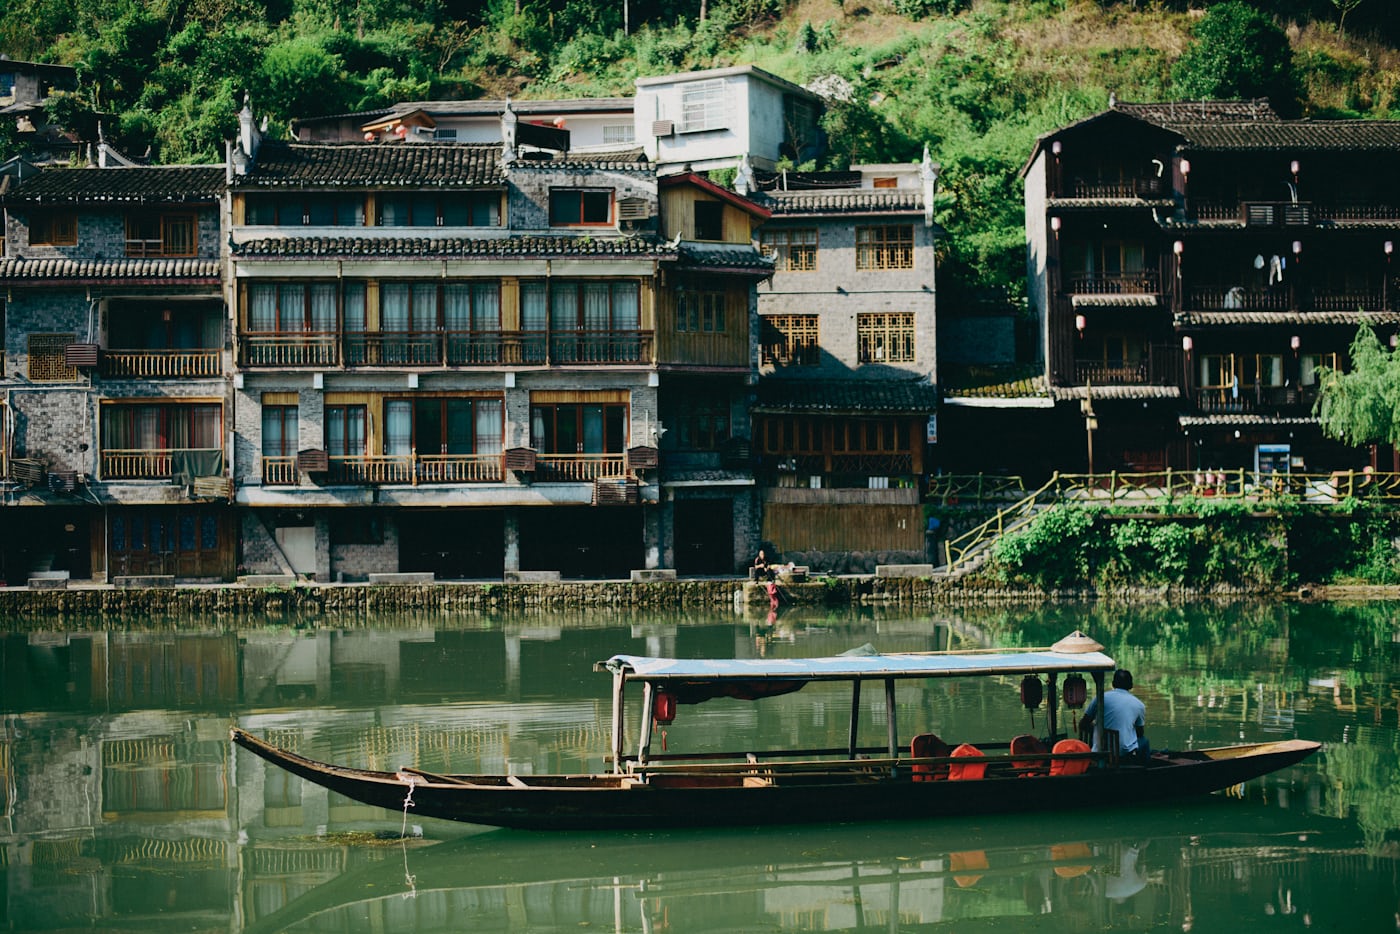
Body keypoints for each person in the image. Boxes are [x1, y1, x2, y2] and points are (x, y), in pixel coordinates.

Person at [1080, 669, 1149, 763]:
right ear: (1131, 685)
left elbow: (1083, 724)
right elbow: (1140, 733)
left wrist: (1096, 729)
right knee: (1144, 741)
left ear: (1113, 683)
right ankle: (1143, 770)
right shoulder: (1139, 705)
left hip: (1099, 751)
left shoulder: (1100, 698)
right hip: (1123, 754)